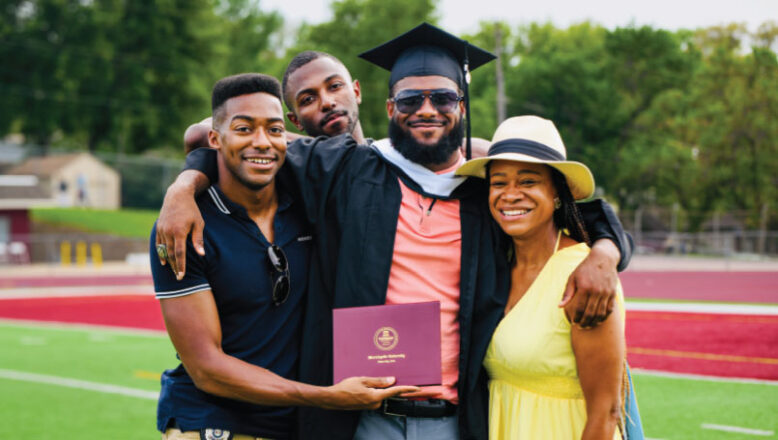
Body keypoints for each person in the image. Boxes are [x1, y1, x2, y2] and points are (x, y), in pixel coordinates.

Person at [156, 23, 633, 440]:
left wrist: (606, 251)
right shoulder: (345, 168)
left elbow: (569, 203)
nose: (427, 109)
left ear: (462, 107)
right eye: (410, 98)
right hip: (362, 417)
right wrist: (183, 188)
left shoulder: (485, 184)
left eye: (443, 97)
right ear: (389, 105)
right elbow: (213, 134)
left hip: (456, 418)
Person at [150, 73, 417, 440]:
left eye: (273, 130)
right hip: (214, 424)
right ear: (217, 139)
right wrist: (324, 397)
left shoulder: (308, 203)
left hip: (297, 426)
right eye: (244, 129)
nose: (262, 142)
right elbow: (206, 368)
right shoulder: (185, 227)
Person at [457, 115, 642, 439]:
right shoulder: (494, 267)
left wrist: (605, 251)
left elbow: (606, 413)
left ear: (558, 192)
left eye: (528, 182)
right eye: (499, 182)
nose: (510, 195)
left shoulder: (586, 277)